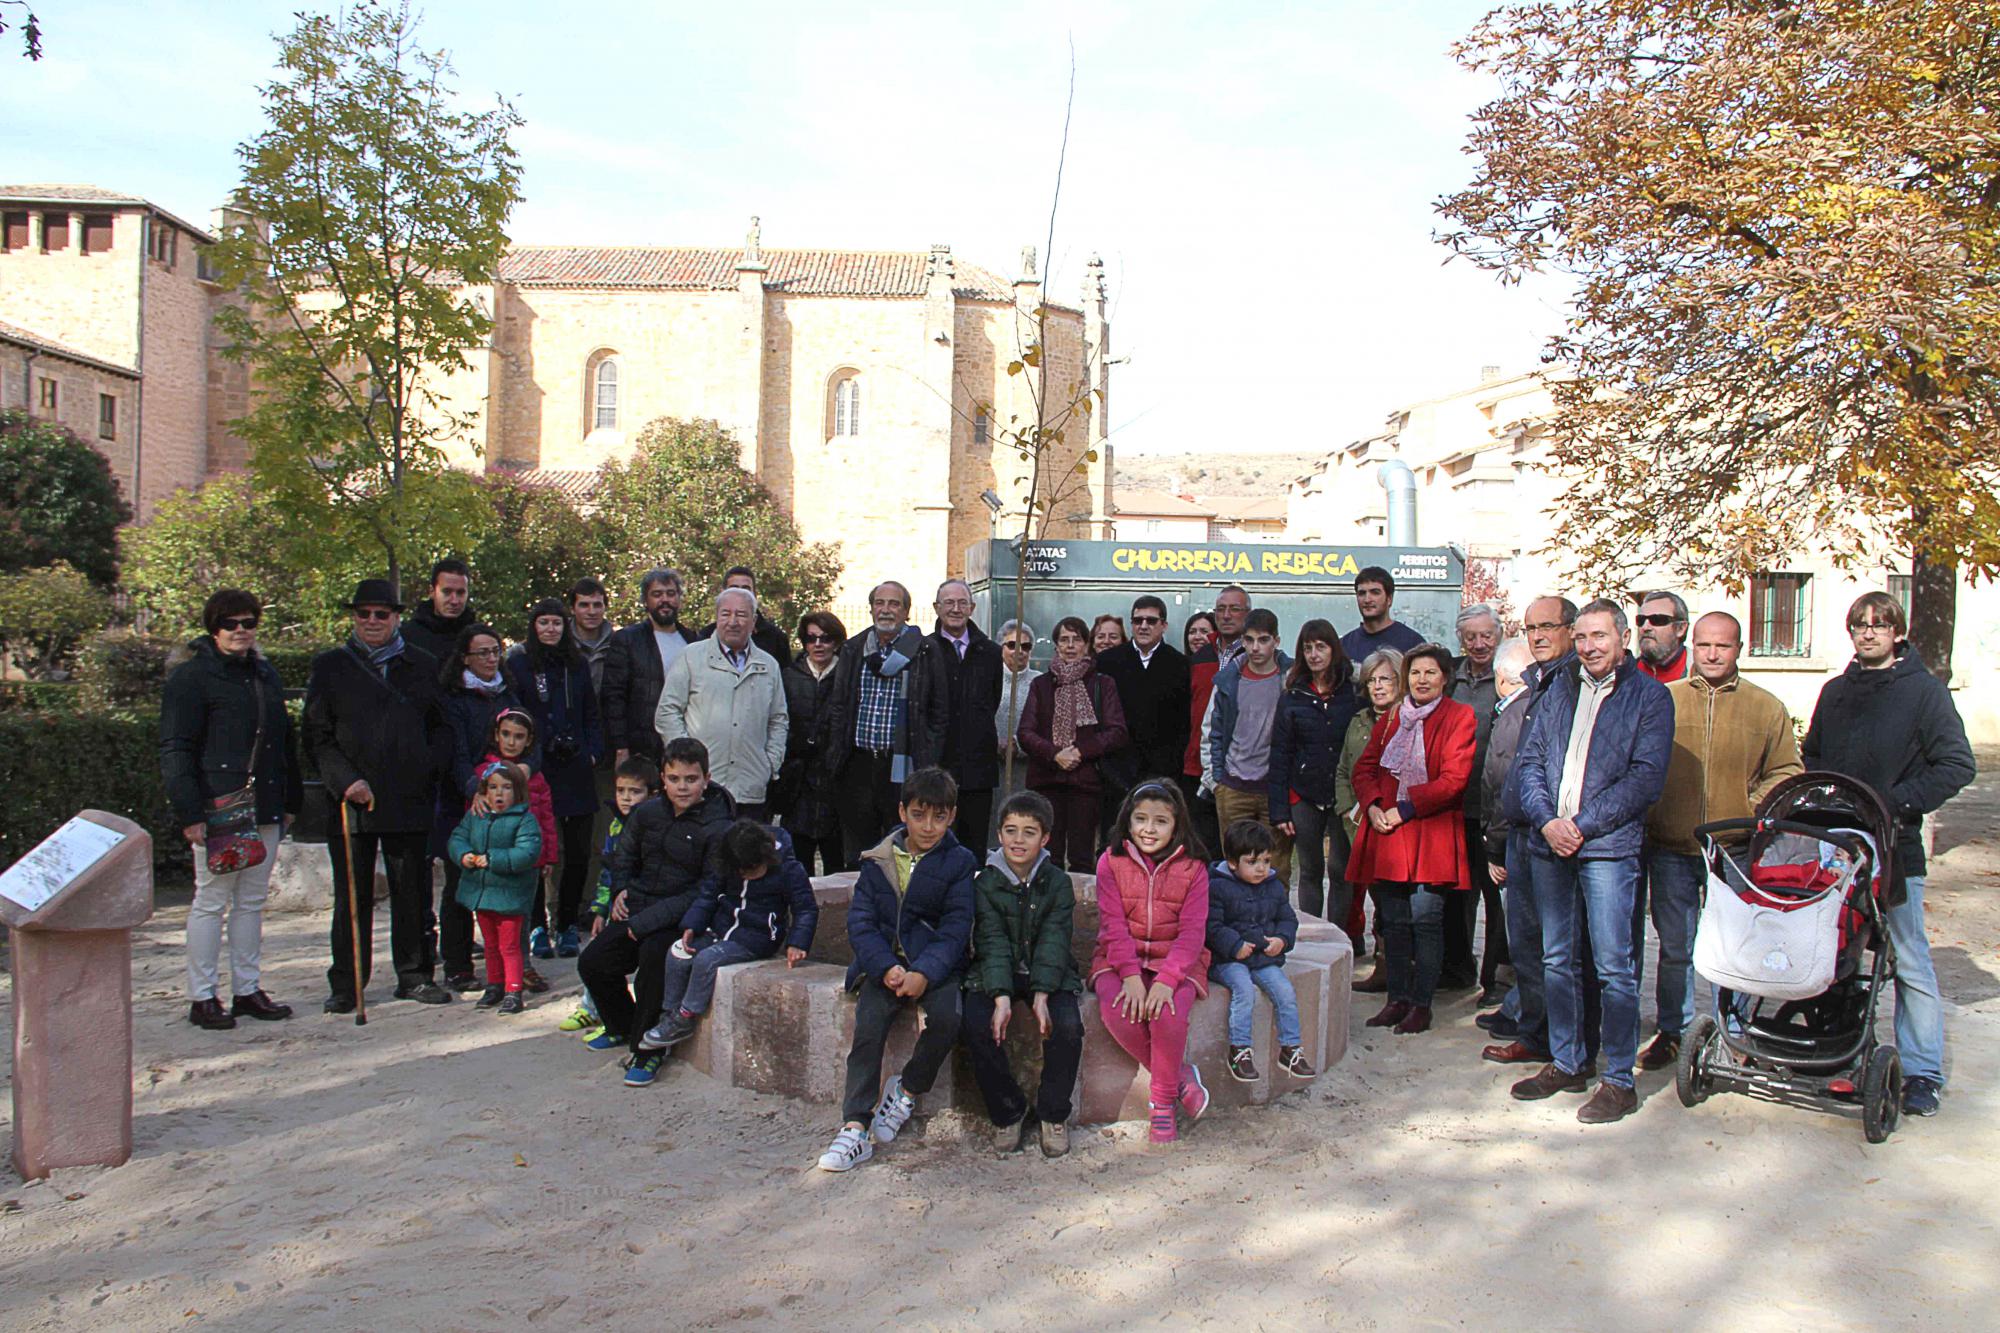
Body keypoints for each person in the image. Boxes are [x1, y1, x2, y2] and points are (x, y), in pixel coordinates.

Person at [1800, 591, 1974, 1118]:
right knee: (1835, 953)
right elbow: (1814, 754)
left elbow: (1956, 764)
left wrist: (1895, 802)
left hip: (1895, 848)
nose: (1869, 632)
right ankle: (1838, 1050)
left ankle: (1922, 1072)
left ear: (1898, 633)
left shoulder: (1923, 693)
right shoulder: (1835, 692)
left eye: (1880, 624)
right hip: (1837, 848)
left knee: (1909, 959)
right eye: (1860, 624)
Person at [1511, 599, 1673, 1124]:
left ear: (1623, 639)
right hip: (1550, 847)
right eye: (1581, 637)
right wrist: (1546, 822)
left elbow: (1645, 779)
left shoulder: (1650, 697)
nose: (1588, 647)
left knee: (1613, 967)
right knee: (1557, 959)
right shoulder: (1559, 689)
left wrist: (1580, 825)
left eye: (1599, 636)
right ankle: (1568, 1061)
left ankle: (1619, 1079)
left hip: (1607, 850)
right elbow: (1530, 763)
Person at [1640, 610, 1802, 1071]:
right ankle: (1674, 1032)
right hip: (1672, 845)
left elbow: (1787, 770)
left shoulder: (1765, 707)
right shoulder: (1664, 700)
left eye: (1723, 646)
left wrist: (1751, 807)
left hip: (1734, 848)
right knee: (1676, 947)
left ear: (1739, 649)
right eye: (1704, 645)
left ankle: (1734, 1033)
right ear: (1691, 645)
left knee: (1734, 948)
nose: (1712, 654)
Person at [817, 767, 977, 1173]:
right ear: (903, 812)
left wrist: (924, 972)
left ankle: (906, 1090)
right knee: (868, 1029)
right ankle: (855, 1127)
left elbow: (956, 927)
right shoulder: (878, 859)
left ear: (952, 816)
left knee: (948, 1019)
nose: (929, 826)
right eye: (919, 815)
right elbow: (861, 922)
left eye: (939, 817)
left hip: (935, 966)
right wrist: (884, 966)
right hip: (885, 964)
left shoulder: (960, 862)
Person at [303, 578, 453, 1011]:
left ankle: (415, 975)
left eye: (381, 614)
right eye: (363, 613)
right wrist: (345, 781)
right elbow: (316, 736)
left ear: (396, 618)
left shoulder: (422, 664)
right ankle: (347, 983)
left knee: (412, 891)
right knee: (353, 896)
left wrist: (427, 767)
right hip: (352, 800)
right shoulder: (331, 666)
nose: (372, 621)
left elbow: (442, 727)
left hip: (408, 795)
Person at [160, 589, 302, 1030]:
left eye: (248, 622)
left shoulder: (264, 674)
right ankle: (202, 996)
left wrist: (291, 800)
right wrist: (190, 813)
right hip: (220, 802)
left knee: (252, 901)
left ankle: (247, 989)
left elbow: (284, 740)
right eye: (230, 623)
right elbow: (177, 748)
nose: (240, 630)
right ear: (214, 628)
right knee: (211, 900)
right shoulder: (191, 678)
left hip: (265, 801)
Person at [577, 736, 736, 1088]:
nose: (682, 787)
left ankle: (648, 1049)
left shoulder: (718, 826)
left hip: (682, 918)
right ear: (662, 779)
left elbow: (706, 888)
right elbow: (625, 855)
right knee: (593, 961)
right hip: (638, 904)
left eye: (691, 779)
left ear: (706, 779)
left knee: (653, 961)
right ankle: (621, 1025)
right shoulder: (647, 813)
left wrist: (645, 922)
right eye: (674, 778)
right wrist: (620, 889)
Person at [1346, 643, 1477, 1035]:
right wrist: (1371, 806)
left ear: (1444, 678)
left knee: (1426, 921)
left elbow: (1453, 781)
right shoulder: (1393, 717)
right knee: (1395, 922)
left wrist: (1404, 809)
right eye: (1415, 673)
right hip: (1388, 833)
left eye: (1430, 672)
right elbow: (1365, 768)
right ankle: (1396, 999)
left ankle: (1421, 1004)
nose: (1422, 680)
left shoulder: (1459, 716)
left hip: (1429, 834)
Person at [1482, 597, 1585, 1068]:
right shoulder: (1539, 681)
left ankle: (1566, 1051)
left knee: (1558, 951)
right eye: (1530, 628)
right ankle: (1535, 1033)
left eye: (1548, 626)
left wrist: (1547, 820)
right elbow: (1515, 767)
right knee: (1525, 945)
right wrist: (1501, 839)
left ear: (1570, 629)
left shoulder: (1575, 682)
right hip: (1522, 832)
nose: (1538, 636)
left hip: (1555, 833)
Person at [960, 789, 1084, 1158]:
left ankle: (1053, 1112)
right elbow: (991, 939)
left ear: (1045, 838)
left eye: (1029, 832)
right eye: (1011, 831)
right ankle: (1008, 1111)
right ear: (999, 834)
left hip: (1049, 971)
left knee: (1067, 1027)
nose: (1018, 840)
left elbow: (1055, 939)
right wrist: (1001, 997)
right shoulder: (986, 882)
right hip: (996, 969)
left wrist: (1042, 993)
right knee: (977, 1023)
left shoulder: (1057, 882)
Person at [1091, 780, 1212, 1145]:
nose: (1148, 829)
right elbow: (1112, 926)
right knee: (1119, 1011)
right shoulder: (1110, 862)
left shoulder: (1194, 868)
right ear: (1127, 821)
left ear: (1176, 825)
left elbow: (1192, 933)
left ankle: (1161, 1103)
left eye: (1160, 821)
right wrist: (1130, 976)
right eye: (1140, 819)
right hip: (1118, 959)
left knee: (1168, 1015)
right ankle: (1180, 1077)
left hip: (1176, 961)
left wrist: (1166, 980)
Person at [638, 819, 819, 1052]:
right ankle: (670, 1013)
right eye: (741, 871)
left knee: (706, 960)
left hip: (757, 937)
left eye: (752, 869)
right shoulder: (726, 867)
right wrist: (693, 924)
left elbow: (805, 908)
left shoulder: (789, 870)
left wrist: (797, 942)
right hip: (721, 928)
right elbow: (708, 895)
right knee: (678, 953)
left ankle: (687, 1015)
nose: (747, 875)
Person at [823, 580, 950, 865]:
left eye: (894, 604)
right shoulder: (854, 648)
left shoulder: (925, 650)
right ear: (871, 609)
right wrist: (836, 753)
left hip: (903, 765)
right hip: (858, 764)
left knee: (901, 845)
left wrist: (929, 756)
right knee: (858, 850)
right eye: (879, 603)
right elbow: (840, 705)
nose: (886, 610)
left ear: (906, 611)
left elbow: (939, 712)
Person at [508, 598, 603, 960]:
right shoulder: (519, 663)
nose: (550, 629)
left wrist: (592, 750)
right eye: (544, 623)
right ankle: (537, 925)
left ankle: (567, 923)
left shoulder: (575, 665)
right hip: (536, 767)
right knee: (535, 849)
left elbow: (591, 711)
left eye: (557, 623)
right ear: (534, 626)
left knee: (578, 852)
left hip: (575, 766)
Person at [434, 623, 525, 992]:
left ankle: (514, 966)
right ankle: (457, 964)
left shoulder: (508, 695)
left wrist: (525, 771)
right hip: (465, 801)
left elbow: (528, 740)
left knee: (508, 881)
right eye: (482, 653)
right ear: (465, 658)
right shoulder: (454, 699)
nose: (491, 659)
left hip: (509, 800)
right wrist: (477, 789)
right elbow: (455, 754)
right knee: (461, 882)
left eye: (495, 652)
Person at [655, 586, 788, 820]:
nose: (733, 622)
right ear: (716, 617)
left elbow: (778, 719)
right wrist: (685, 759)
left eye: (741, 614)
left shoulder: (768, 665)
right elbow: (667, 711)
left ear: (753, 621)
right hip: (700, 787)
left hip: (750, 786)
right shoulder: (691, 657)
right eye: (726, 614)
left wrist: (769, 763)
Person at [1017, 616, 1131, 872]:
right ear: (1056, 645)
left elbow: (1117, 731)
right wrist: (1055, 754)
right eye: (1064, 640)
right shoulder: (1041, 685)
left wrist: (1080, 751)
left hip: (1086, 782)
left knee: (1082, 857)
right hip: (1046, 781)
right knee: (1046, 856)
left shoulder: (1102, 684)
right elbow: (1025, 733)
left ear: (1086, 645)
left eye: (1076, 640)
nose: (1070, 646)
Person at [559, 756, 659, 1036]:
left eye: (635, 791)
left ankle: (621, 1018)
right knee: (595, 954)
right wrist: (600, 909)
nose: (626, 798)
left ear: (652, 794)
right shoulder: (615, 826)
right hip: (614, 907)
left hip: (642, 910)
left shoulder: (653, 827)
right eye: (621, 790)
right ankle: (592, 1009)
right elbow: (607, 872)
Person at [1207, 819, 1313, 1082]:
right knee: (1243, 990)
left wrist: (1282, 940)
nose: (1261, 868)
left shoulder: (1273, 886)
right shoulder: (1217, 887)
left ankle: (1290, 1048)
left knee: (1285, 991)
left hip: (1263, 957)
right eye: (1252, 862)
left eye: (1266, 861)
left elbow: (1287, 919)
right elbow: (1211, 926)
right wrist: (1234, 945)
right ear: (1233, 862)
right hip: (1227, 958)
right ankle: (1240, 1050)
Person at [1269, 618, 1358, 922]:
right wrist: (1280, 809)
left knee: (1340, 869)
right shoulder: (1293, 695)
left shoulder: (1351, 692)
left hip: (1343, 794)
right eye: (1308, 648)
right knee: (1310, 869)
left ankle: (1339, 936)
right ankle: (1312, 935)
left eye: (1321, 647)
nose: (1314, 654)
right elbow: (1280, 753)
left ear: (1333, 649)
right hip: (1304, 794)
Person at [1206, 607, 1293, 884]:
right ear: (1242, 640)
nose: (1256, 648)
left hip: (1274, 789)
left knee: (1276, 869)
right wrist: (1215, 780)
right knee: (1234, 868)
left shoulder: (1290, 679)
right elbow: (1212, 730)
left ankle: (1275, 913)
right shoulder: (1228, 680)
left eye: (1263, 640)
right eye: (1250, 640)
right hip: (1233, 786)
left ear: (1276, 641)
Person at [449, 761, 543, 1014]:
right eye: (493, 787)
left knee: (510, 946)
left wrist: (493, 858)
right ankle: (495, 985)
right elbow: (457, 838)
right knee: (490, 944)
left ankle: (513, 990)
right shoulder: (476, 816)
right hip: (482, 894)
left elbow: (528, 852)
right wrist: (464, 855)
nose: (499, 793)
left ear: (518, 791)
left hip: (510, 895)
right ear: (484, 791)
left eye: (506, 787)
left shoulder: (524, 820)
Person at [1445, 603, 1504, 992]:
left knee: (1496, 898)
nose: (1480, 644)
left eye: (1486, 635)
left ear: (1499, 635)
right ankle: (1457, 971)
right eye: (1471, 637)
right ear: (1461, 639)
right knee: (1457, 895)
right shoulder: (1451, 676)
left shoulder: (1510, 675)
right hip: (1455, 806)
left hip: (1495, 808)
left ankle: (1496, 979)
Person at [1475, 636, 1534, 1013]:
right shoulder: (1520, 709)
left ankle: (1513, 1002)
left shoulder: (1515, 716)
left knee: (1516, 925)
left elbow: (1501, 784)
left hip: (1512, 837)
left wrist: (1494, 847)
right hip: (1515, 834)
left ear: (1501, 677)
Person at [1096, 594, 1192, 820]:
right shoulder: (1107, 661)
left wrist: (1171, 767)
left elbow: (1184, 722)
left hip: (1162, 772)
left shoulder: (1180, 665)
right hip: (1115, 770)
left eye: (1151, 620)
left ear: (1164, 625)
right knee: (1114, 832)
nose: (1144, 626)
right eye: (1138, 620)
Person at [1343, 648, 1405, 987]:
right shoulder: (1359, 720)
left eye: (1385, 679)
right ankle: (1383, 969)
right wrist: (1347, 810)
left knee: (1392, 903)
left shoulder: (1408, 719)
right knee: (1368, 895)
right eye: (1371, 681)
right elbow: (1345, 769)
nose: (1378, 686)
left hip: (1393, 822)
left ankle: (1395, 971)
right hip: (1356, 819)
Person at [928, 579, 1004, 851]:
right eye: (949, 602)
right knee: (936, 845)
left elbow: (991, 701)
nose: (956, 609)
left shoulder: (991, 652)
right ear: (937, 607)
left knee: (973, 849)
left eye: (962, 603)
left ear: (972, 608)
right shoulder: (925, 650)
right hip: (937, 765)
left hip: (977, 768)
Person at [774, 611, 847, 875]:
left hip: (836, 780)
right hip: (797, 782)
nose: (818, 645)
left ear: (836, 642)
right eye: (811, 638)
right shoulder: (788, 677)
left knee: (836, 865)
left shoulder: (847, 677)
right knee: (798, 864)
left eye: (825, 638)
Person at [601, 567, 696, 767]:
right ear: (646, 600)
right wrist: (621, 748)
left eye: (671, 593)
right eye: (657, 594)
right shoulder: (627, 640)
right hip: (641, 746)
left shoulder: (693, 641)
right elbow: (614, 697)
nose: (665, 600)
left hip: (682, 744)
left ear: (679, 599)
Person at [1181, 588, 1249, 854]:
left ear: (1248, 614)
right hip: (1196, 768)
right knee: (1200, 849)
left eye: (1235, 609)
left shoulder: (1255, 654)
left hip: (1239, 770)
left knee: (1237, 849)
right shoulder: (1200, 656)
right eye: (1221, 609)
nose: (1227, 615)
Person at [992, 619, 1042, 843]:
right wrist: (996, 744)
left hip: (1027, 768)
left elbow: (1044, 725)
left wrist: (1019, 745)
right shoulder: (990, 678)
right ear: (1001, 646)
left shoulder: (1039, 682)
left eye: (1026, 646)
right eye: (1012, 645)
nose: (1019, 651)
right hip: (994, 767)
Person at [694, 565, 792, 662]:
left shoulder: (776, 639)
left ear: (755, 594)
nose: (740, 594)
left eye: (745, 589)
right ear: (723, 593)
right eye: (734, 588)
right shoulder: (706, 636)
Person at [400, 558, 478, 665]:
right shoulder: (406, 637)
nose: (454, 601)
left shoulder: (478, 636)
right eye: (447, 592)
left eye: (460, 593)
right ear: (432, 592)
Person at [1341, 566, 1426, 662]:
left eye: (1375, 592)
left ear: (1389, 599)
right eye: (1362, 593)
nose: (1367, 600)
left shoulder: (1412, 643)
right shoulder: (1345, 645)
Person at [1632, 590, 1690, 683]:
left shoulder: (1704, 673)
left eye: (1657, 619)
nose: (1645, 627)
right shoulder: (1621, 675)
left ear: (1681, 628)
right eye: (1641, 620)